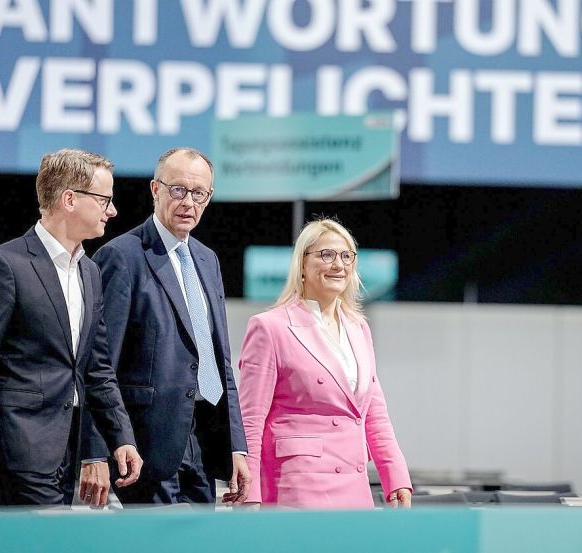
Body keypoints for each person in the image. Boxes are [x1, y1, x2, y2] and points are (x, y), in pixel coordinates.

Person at [0, 148, 142, 507]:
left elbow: (97, 369)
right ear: (69, 199)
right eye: (104, 200)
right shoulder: (4, 265)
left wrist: (121, 437)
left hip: (66, 453)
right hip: (17, 451)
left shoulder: (90, 272)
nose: (112, 211)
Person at [91, 147, 250, 507]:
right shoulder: (121, 256)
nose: (188, 202)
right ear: (155, 189)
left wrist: (236, 447)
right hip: (145, 448)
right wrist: (96, 452)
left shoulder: (207, 260)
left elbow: (219, 361)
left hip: (204, 442)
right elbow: (100, 365)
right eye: (178, 190)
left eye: (199, 194)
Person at [237, 218, 412, 509]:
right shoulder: (270, 327)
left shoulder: (359, 328)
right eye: (326, 255)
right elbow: (250, 420)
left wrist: (396, 478)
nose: (338, 265)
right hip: (297, 487)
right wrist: (250, 493)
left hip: (354, 487)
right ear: (302, 265)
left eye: (346, 256)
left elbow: (374, 413)